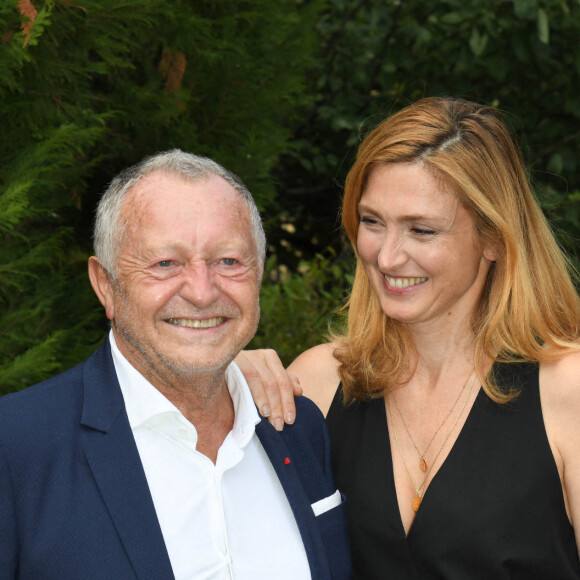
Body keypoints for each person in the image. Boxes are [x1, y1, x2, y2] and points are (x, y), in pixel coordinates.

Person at [237, 97, 580, 578]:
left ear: (495, 239)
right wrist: (223, 387)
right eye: (373, 222)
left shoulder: (568, 389)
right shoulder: (317, 382)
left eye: (421, 230)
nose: (388, 257)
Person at [0, 150, 350, 580]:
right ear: (105, 285)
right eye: (165, 263)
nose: (202, 293)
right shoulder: (16, 447)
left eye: (228, 261)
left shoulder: (297, 428)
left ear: (258, 274)